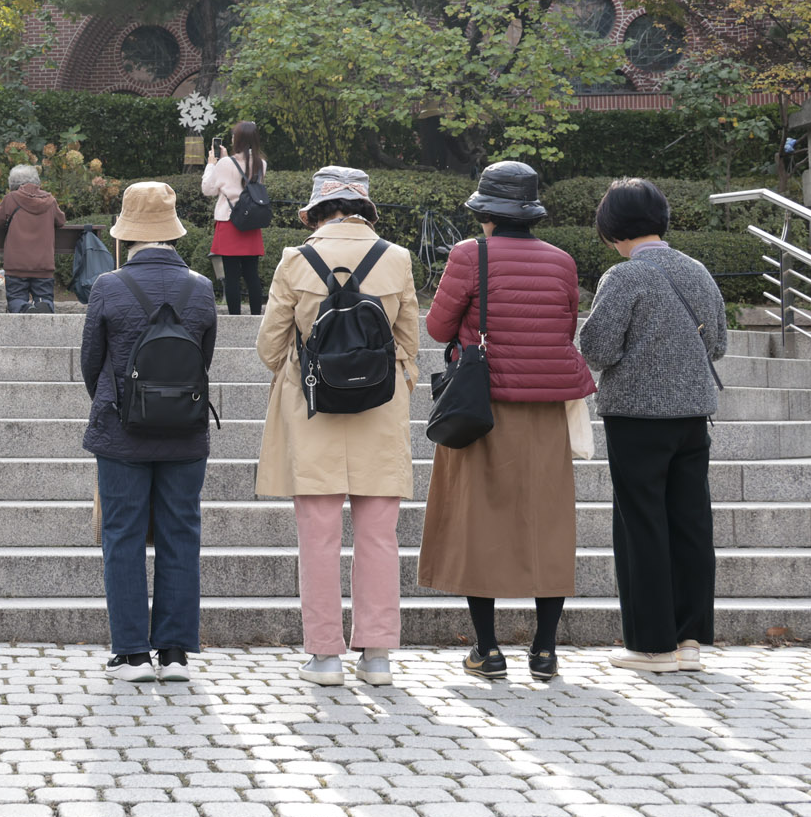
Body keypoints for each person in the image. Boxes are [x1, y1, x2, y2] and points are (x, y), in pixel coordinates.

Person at [419, 162, 594, 682]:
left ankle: (488, 650)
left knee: (479, 522)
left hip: (482, 407)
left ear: (486, 213)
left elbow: (438, 328)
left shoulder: (468, 254)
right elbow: (564, 327)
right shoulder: (562, 261)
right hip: (546, 408)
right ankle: (545, 651)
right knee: (549, 524)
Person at [255, 167, 418, 688]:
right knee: (379, 537)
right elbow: (409, 344)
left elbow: (269, 347)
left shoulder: (294, 260)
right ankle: (377, 656)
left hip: (313, 411)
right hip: (380, 411)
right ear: (365, 209)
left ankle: (325, 657)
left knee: (318, 538)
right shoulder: (397, 259)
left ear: (316, 212)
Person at [578, 178, 726, 674]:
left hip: (637, 418)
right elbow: (718, 344)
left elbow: (598, 348)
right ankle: (689, 641)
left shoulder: (624, 277)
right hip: (693, 415)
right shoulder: (698, 270)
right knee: (690, 523)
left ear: (612, 227)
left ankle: (651, 646)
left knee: (641, 525)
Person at [80, 181, 218, 683]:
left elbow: (91, 362)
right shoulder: (201, 288)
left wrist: (116, 401)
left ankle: (132, 654)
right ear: (173, 231)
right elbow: (203, 359)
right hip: (185, 431)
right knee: (182, 534)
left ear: (127, 233)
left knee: (123, 536)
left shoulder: (108, 286)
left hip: (122, 432)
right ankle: (175, 653)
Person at [202, 121, 268, 314]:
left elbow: (208, 189)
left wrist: (211, 165)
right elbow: (243, 181)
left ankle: (235, 318)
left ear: (237, 139)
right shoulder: (261, 163)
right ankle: (256, 317)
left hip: (229, 221)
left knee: (231, 276)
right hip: (251, 221)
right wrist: (224, 160)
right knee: (251, 274)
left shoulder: (224, 164)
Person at [0, 163, 66, 312]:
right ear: (36, 181)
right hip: (43, 265)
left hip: (16, 265)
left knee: (16, 297)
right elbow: (61, 221)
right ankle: (43, 304)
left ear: (13, 183)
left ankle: (23, 307)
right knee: (45, 296)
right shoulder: (50, 200)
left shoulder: (10, 199)